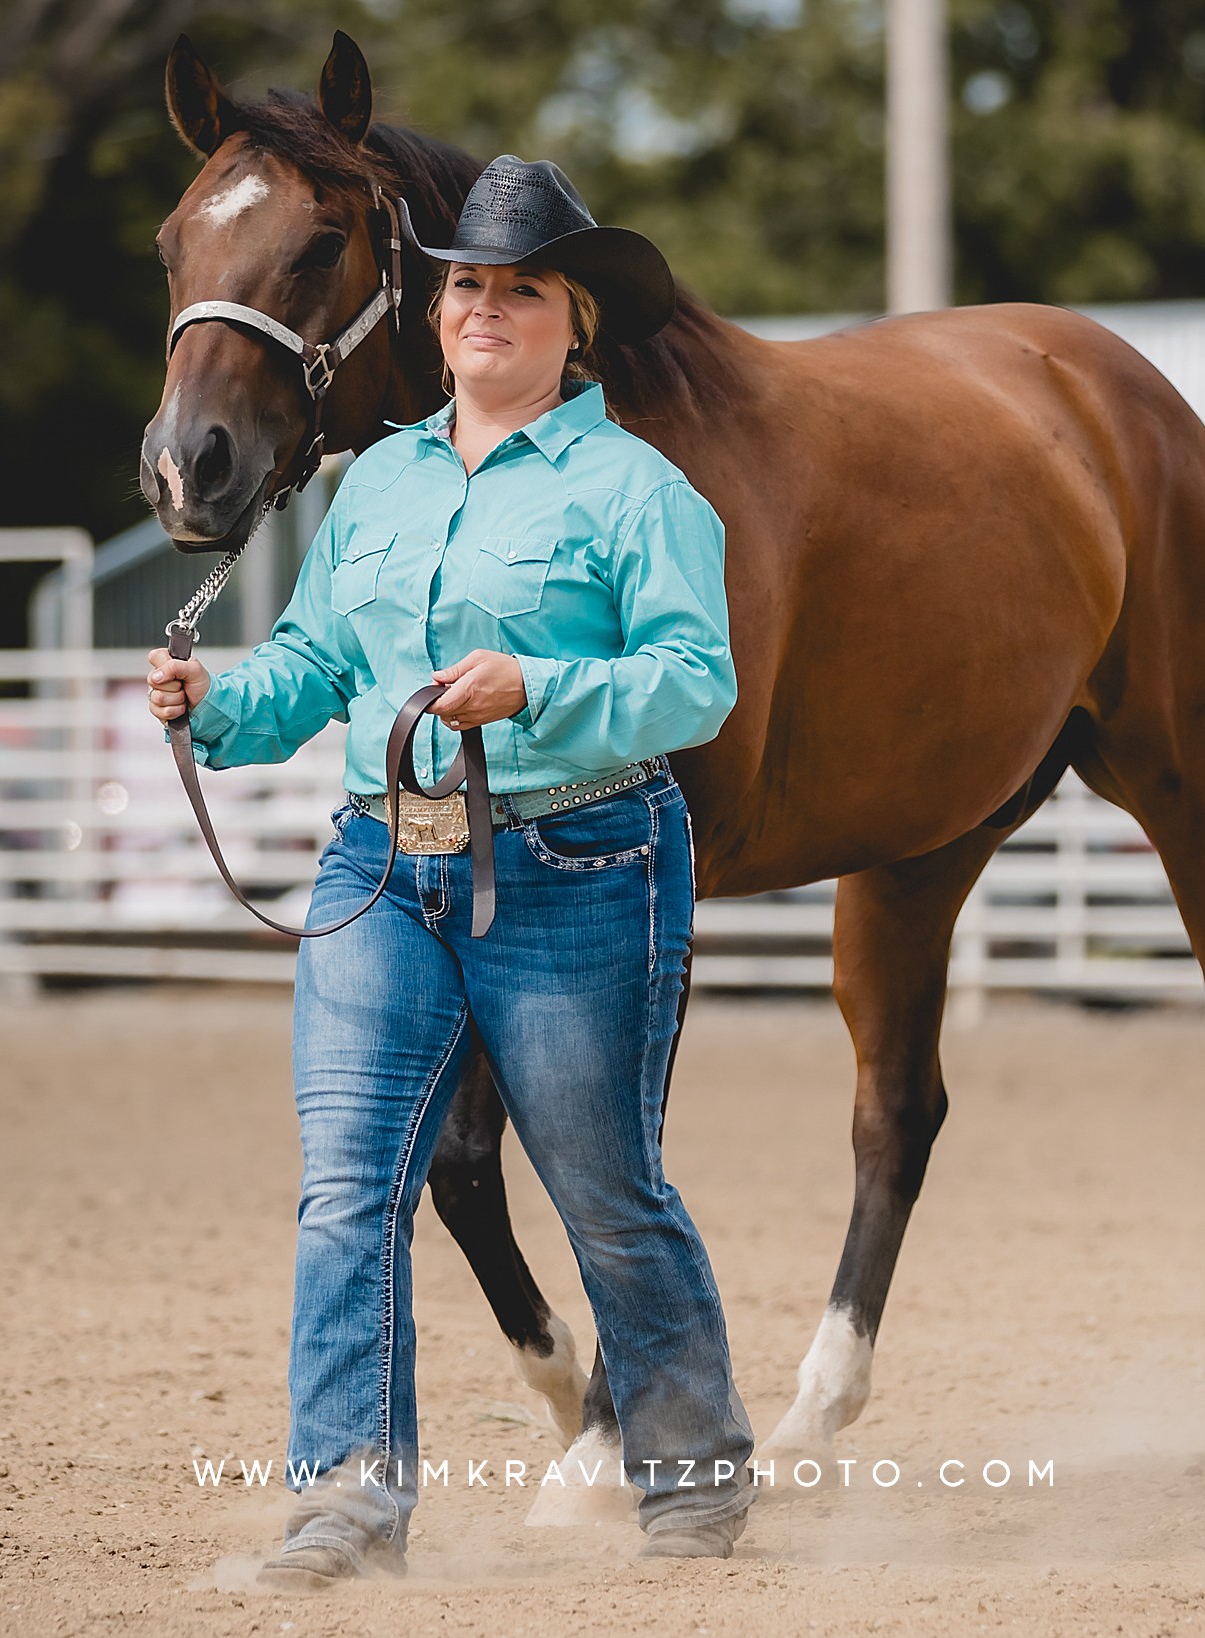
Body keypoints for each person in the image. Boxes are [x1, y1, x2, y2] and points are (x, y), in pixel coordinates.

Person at [145, 155, 754, 1585]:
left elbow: (696, 681)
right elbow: (318, 659)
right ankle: (345, 1508)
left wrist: (535, 691)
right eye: (469, 284)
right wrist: (220, 709)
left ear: (574, 323)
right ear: (436, 314)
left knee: (607, 1188)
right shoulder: (374, 486)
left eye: (523, 287)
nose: (490, 307)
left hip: (583, 860)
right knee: (348, 1187)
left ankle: (693, 1471)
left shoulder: (639, 491)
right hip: (381, 866)